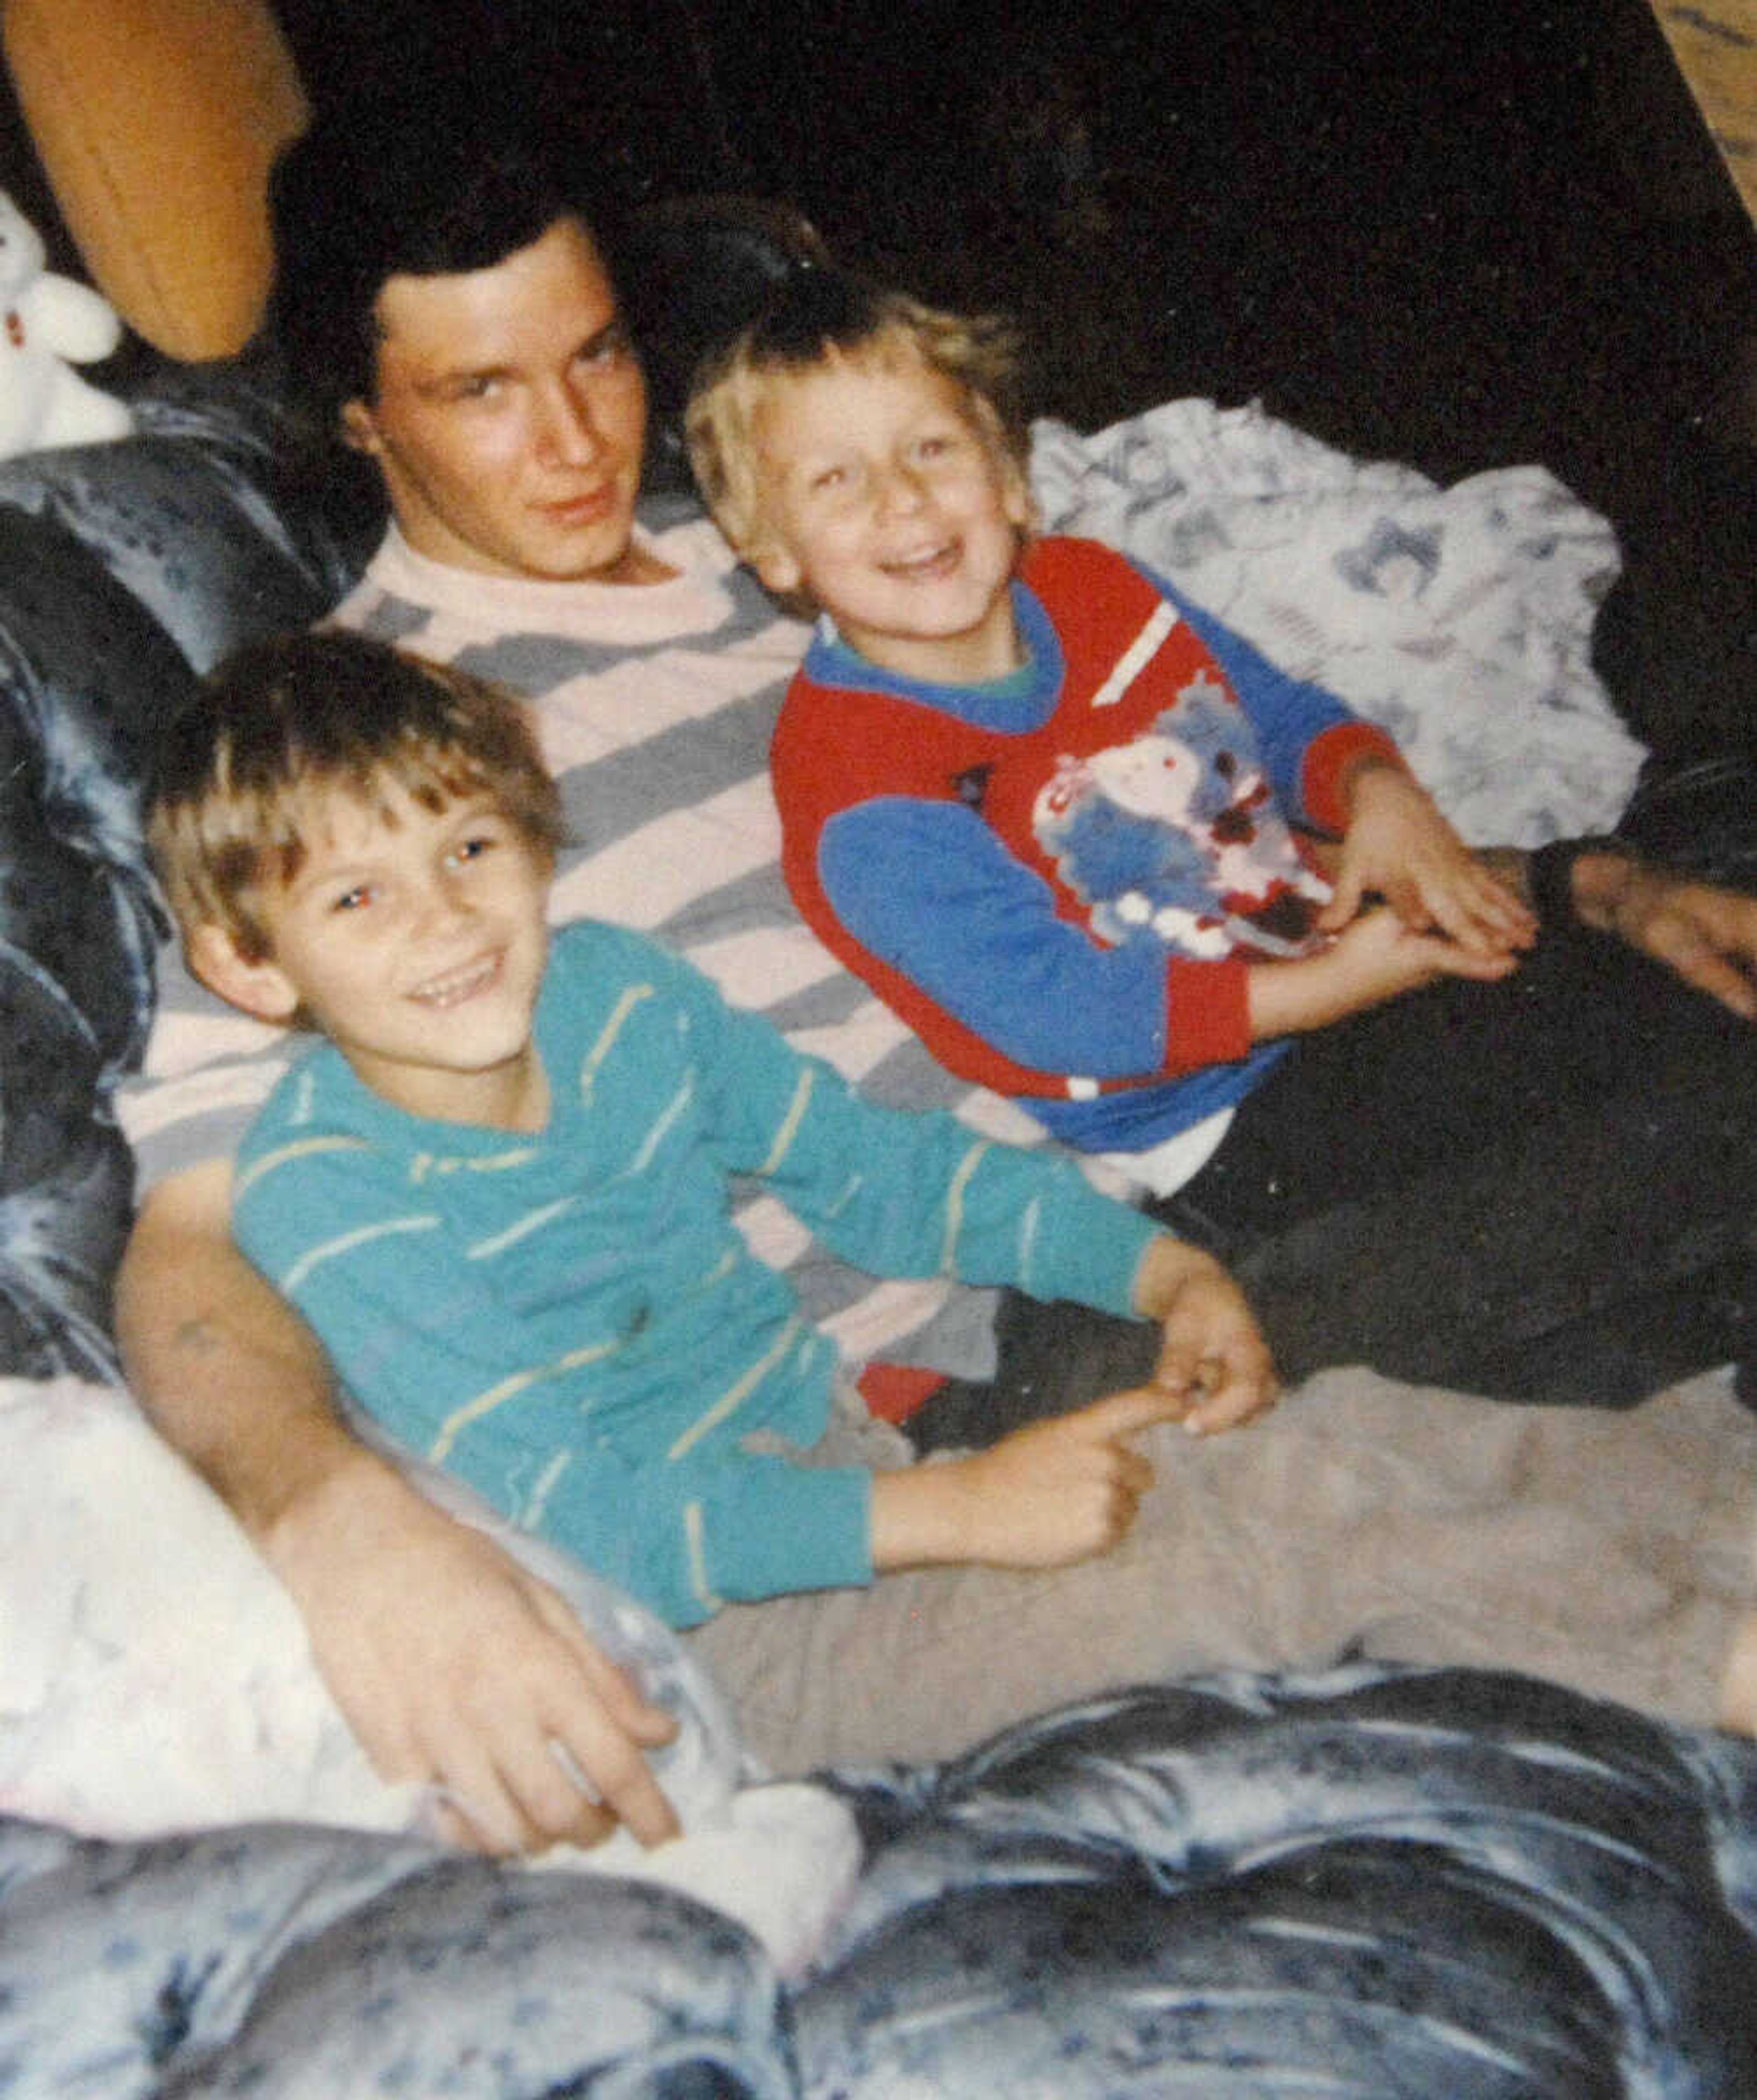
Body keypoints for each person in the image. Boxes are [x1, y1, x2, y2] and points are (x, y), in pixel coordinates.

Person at [114, 112, 1757, 1847]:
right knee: (1580, 1234)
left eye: (597, 355)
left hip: (1140, 1182)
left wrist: (1593, 883)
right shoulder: (370, 774)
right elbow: (197, 1247)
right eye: (484, 392)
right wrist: (335, 1524)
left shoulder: (819, 543)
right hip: (932, 1382)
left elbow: (1203, 820)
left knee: (1673, 1029)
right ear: (364, 424)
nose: (580, 435)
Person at [687, 266, 1757, 1410]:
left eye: (931, 451)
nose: (900, 502)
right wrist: (1338, 985)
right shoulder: (857, 785)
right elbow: (1061, 1013)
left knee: (1659, 1003)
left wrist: (1376, 789)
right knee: (1617, 1119)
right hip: (1207, 1121)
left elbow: (1281, 712)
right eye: (835, 481)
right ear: (774, 552)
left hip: (1332, 966)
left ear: (1007, 475)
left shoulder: (1094, 589)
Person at [155, 629, 1274, 1629]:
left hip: (854, 1469)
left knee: (1320, 1461)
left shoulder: (617, 994)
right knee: (1273, 1549)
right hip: (712, 1626)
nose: (444, 919)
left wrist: (1164, 1271)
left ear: (536, 844)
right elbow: (592, 1529)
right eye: (357, 897)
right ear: (247, 969)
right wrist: (956, 1507)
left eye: (467, 850)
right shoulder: (327, 1192)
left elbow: (881, 1174)